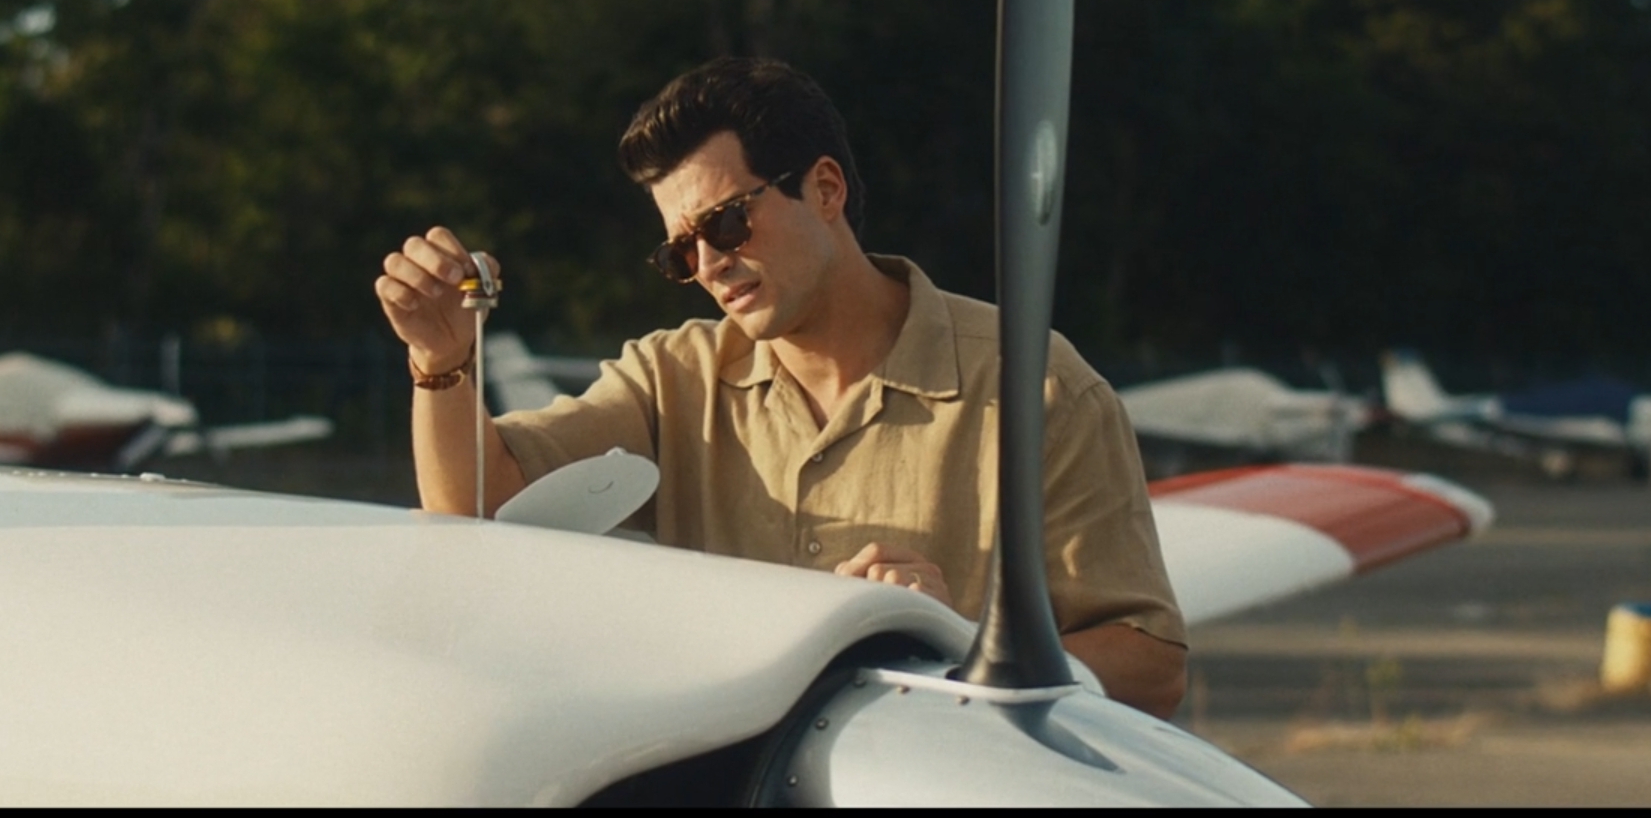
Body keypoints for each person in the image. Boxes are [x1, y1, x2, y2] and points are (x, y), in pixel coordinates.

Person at [375, 56, 1188, 717]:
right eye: (680, 252)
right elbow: (478, 507)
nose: (709, 264)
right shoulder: (672, 378)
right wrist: (441, 359)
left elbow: (1151, 667)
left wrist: (954, 641)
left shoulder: (1038, 388)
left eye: (726, 223)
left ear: (826, 189)